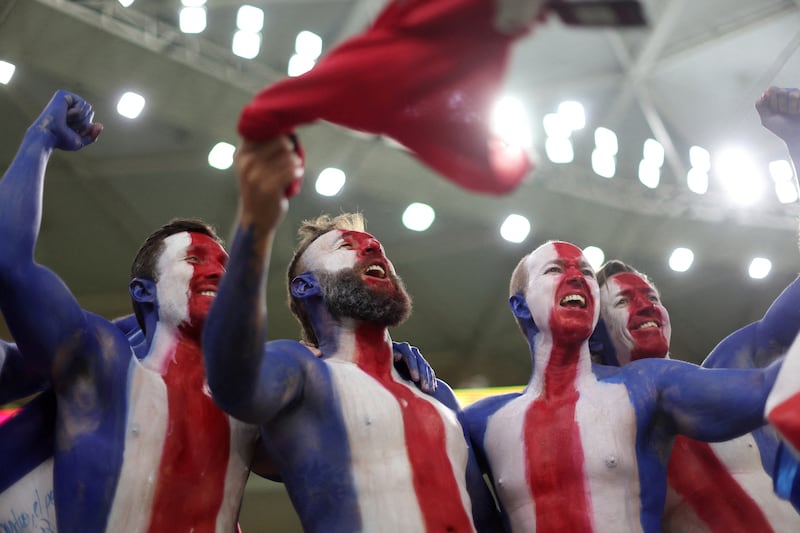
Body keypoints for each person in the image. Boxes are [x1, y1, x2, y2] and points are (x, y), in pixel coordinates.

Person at [0, 90, 269, 532]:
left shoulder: (258, 398)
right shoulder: (102, 366)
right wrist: (41, 138)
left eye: (226, 265)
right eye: (196, 259)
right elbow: (10, 265)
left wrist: (401, 365)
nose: (220, 274)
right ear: (144, 294)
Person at [201, 138, 501, 532]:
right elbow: (233, 382)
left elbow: (486, 520)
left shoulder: (435, 392)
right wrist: (255, 225)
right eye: (347, 246)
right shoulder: (300, 373)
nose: (373, 250)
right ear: (305, 287)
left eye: (375, 246)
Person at [462, 240, 782, 533]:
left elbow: (763, 390)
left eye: (586, 272)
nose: (576, 277)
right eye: (555, 269)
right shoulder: (479, 423)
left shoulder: (644, 385)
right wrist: (409, 358)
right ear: (520, 305)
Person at [595, 259, 800, 531]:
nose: (646, 306)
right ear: (595, 335)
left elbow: (782, 325)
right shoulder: (605, 440)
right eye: (623, 301)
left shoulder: (730, 369)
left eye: (652, 296)